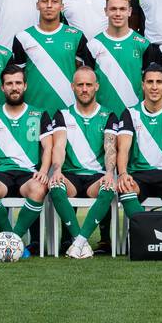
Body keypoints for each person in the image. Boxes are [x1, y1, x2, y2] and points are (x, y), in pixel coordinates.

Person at [0, 64, 62, 255]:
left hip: (28, 175)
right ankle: (12, 241)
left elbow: (48, 147)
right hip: (0, 174)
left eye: (18, 83)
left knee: (39, 188)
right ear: (2, 88)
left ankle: (11, 241)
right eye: (9, 83)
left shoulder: (39, 114)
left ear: (25, 86)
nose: (14, 87)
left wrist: (44, 172)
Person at [47, 66, 122, 260]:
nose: (85, 89)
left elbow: (110, 149)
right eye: (80, 85)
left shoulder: (108, 115)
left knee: (108, 186)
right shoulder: (62, 114)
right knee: (55, 184)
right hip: (70, 176)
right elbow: (59, 146)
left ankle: (78, 243)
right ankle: (80, 241)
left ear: (96, 86)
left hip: (95, 177)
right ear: (73, 87)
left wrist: (109, 173)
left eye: (89, 84)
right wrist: (57, 169)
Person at [114, 67, 162, 218]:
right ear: (143, 85)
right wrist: (123, 174)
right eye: (150, 82)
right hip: (138, 174)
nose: (154, 87)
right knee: (125, 186)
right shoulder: (130, 113)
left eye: (159, 82)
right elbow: (123, 149)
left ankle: (156, 225)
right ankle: (145, 229)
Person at [10, 0, 93, 115]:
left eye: (54, 1)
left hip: (68, 110)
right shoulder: (22, 38)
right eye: (44, 1)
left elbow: (83, 74)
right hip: (33, 110)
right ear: (37, 5)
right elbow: (18, 77)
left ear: (62, 6)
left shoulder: (76, 36)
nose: (49, 5)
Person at [85, 0, 148, 114]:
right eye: (113, 9)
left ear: (129, 12)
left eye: (122, 9)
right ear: (106, 11)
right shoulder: (93, 45)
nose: (118, 13)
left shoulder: (144, 45)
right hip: (103, 116)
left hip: (135, 117)